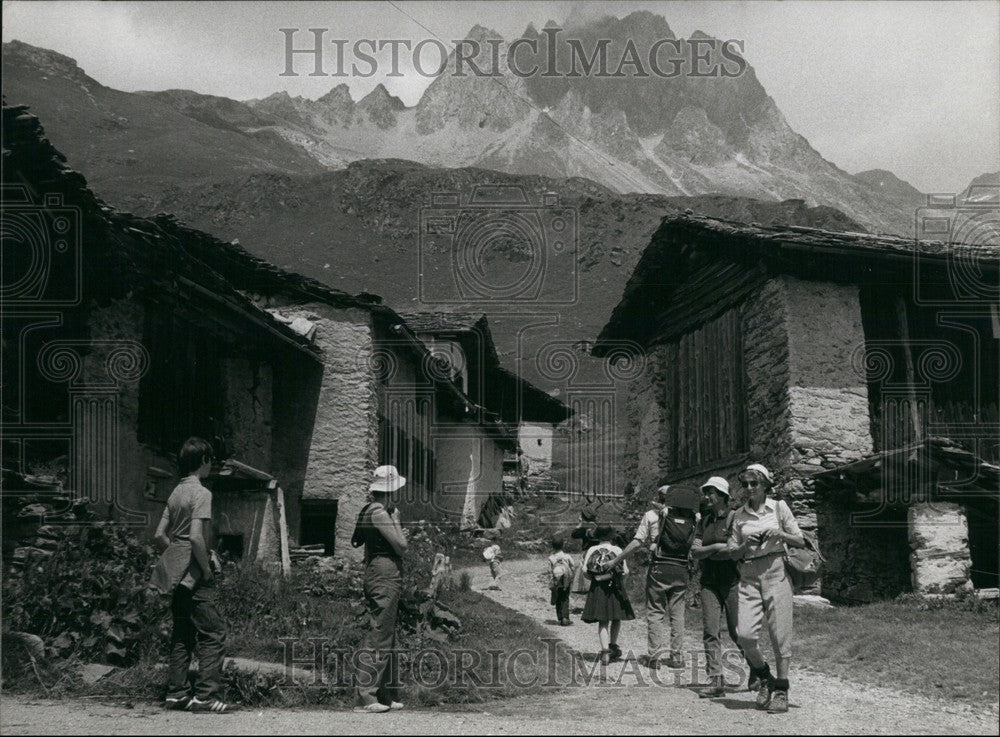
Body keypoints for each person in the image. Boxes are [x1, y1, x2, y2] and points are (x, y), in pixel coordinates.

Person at [150, 437, 230, 713]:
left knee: (182, 632)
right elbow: (197, 538)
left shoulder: (175, 493)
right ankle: (206, 696)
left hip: (175, 573)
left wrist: (176, 553)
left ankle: (176, 692)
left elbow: (159, 535)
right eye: (210, 460)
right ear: (204, 461)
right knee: (214, 631)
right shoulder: (202, 493)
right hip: (195, 571)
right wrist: (206, 569)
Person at [728, 463, 806, 714]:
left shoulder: (779, 507)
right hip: (748, 573)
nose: (749, 488)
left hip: (776, 570)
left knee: (779, 634)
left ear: (765, 485)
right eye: (746, 484)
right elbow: (732, 552)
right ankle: (765, 676)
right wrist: (744, 545)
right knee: (745, 635)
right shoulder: (738, 514)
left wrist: (779, 533)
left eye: (755, 483)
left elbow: (800, 540)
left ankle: (781, 689)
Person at [608, 484, 701, 670]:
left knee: (656, 612)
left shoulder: (652, 516)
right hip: (681, 568)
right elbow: (695, 545)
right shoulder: (693, 517)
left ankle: (654, 657)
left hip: (659, 567)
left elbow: (636, 542)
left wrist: (616, 560)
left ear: (660, 497)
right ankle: (676, 657)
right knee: (677, 614)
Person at [351, 465, 409, 714]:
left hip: (380, 571)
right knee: (379, 634)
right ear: (390, 490)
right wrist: (396, 522)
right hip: (384, 572)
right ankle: (366, 697)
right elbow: (402, 546)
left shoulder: (372, 510)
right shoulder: (381, 513)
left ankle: (384, 694)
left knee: (387, 634)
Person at [691, 476, 743, 698]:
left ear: (722, 496)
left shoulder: (734, 518)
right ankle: (716, 680)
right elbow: (695, 551)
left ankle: (758, 672)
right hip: (709, 583)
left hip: (732, 581)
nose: (707, 497)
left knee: (738, 632)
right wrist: (717, 546)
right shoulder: (704, 521)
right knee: (710, 632)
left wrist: (708, 550)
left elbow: (732, 552)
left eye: (711, 492)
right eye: (706, 492)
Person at [581, 525, 634, 665]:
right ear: (612, 536)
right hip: (615, 587)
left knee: (602, 620)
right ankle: (613, 646)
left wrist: (593, 580)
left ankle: (604, 652)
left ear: (597, 535)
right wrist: (621, 583)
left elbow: (585, 571)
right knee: (616, 618)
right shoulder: (617, 550)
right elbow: (626, 571)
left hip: (598, 587)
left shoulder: (591, 550)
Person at [569, 509, 599, 595]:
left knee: (586, 575)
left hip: (587, 553)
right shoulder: (597, 526)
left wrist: (580, 523)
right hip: (598, 553)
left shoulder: (584, 528)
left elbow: (573, 534)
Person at [547, 536, 575, 626]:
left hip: (556, 580)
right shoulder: (567, 556)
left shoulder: (551, 558)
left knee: (558, 598)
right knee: (565, 597)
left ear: (552, 546)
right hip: (566, 580)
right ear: (563, 545)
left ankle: (560, 618)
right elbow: (573, 566)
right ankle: (565, 617)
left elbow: (549, 570)